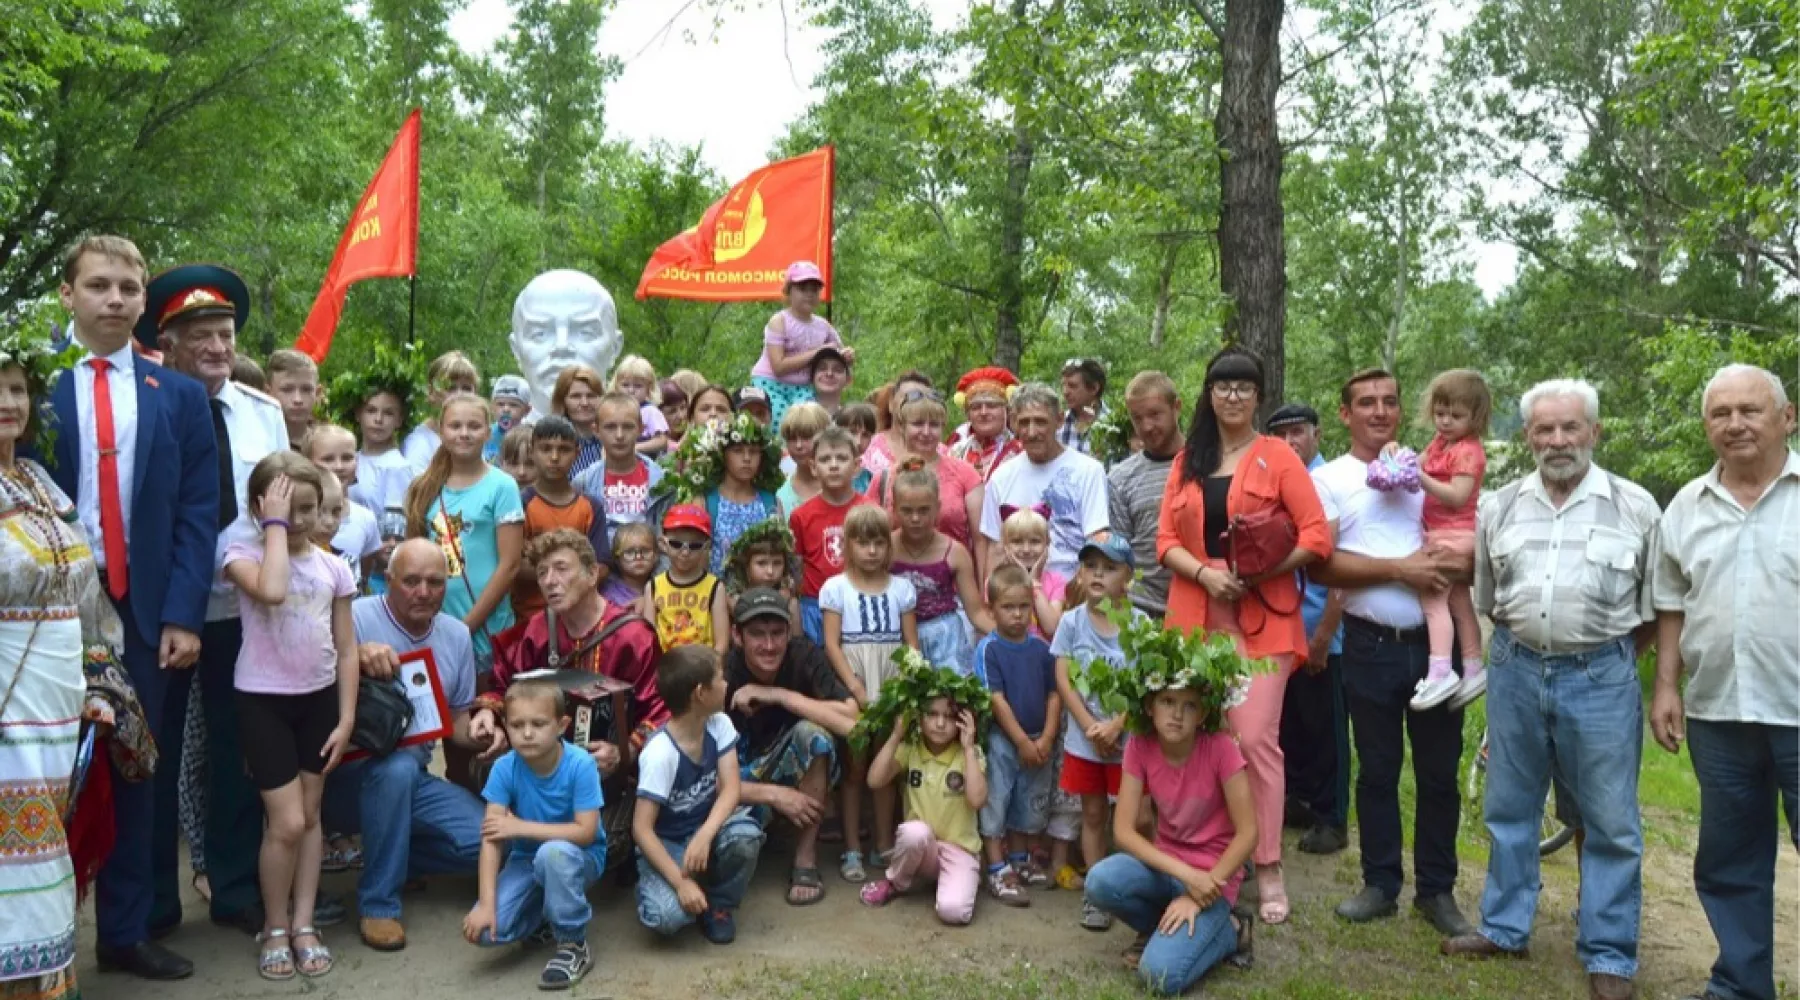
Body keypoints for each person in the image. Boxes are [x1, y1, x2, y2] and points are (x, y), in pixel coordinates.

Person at [1444, 379, 1660, 1000]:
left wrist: (1604, 658)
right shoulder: (1501, 505)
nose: (1558, 441)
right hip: (1515, 667)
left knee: (1611, 820)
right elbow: (1488, 598)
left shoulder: (1636, 506)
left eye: (1570, 428)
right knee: (1509, 808)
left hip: (1600, 676)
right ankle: (1505, 928)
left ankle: (1610, 953)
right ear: (1529, 437)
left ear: (1594, 431)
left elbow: (1652, 608)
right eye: (1544, 430)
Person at [46, 237, 219, 981]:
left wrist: (182, 614)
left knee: (134, 773)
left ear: (144, 299)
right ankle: (36, 938)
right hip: (45, 616)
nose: (114, 299)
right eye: (98, 286)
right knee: (39, 773)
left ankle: (124, 932)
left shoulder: (176, 395)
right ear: (68, 294)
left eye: (128, 287)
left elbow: (196, 512)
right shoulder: (33, 387)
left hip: (146, 616)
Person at [1155, 347, 1331, 926]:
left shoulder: (1278, 456)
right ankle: (1208, 857)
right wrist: (1205, 572)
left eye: (1244, 386)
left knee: (1254, 741)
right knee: (1195, 742)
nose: (1233, 395)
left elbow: (1316, 538)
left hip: (1264, 625)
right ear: (1209, 394)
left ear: (1258, 396)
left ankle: (1269, 862)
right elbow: (1164, 543)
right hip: (1194, 620)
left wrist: (1259, 572)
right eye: (1223, 386)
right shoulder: (1188, 461)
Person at [152, 263, 295, 943]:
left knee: (240, 750)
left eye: (225, 333)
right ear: (170, 342)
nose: (215, 347)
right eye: (200, 335)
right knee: (153, 752)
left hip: (243, 612)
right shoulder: (149, 402)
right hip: (166, 610)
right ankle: (151, 902)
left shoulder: (263, 414)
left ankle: (236, 888)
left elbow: (284, 508)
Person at [0, 328, 145, 1000]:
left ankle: (49, 981)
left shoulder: (35, 478)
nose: (8, 402)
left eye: (16, 388)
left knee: (50, 840)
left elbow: (83, 591)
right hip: (8, 695)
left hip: (60, 698)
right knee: (14, 846)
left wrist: (99, 673)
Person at [1649, 364, 1798, 1000]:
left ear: (1786, 418)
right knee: (1731, 859)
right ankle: (1739, 985)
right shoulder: (1687, 504)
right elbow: (1671, 601)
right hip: (1718, 712)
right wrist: (1665, 687)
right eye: (1720, 413)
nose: (1734, 423)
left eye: (1750, 410)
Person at [1308, 368, 1472, 937]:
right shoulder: (1330, 480)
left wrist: (1452, 564)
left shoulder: (1433, 469)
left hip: (1437, 648)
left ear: (1400, 411)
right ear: (1345, 414)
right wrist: (1401, 570)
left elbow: (1468, 538)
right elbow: (1321, 563)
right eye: (1366, 403)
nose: (1379, 411)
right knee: (1376, 770)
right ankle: (1380, 883)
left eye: (1390, 402)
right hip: (1370, 646)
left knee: (1438, 773)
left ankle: (1437, 890)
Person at [322, 539, 501, 953]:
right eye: (412, 581)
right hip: (342, 778)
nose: (423, 592)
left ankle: (396, 855)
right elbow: (305, 674)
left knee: (490, 842)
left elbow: (452, 720)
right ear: (387, 580)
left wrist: (479, 729)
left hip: (411, 781)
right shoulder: (356, 616)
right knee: (398, 766)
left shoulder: (456, 635)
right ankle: (379, 904)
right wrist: (352, 655)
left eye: (435, 582)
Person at [221, 453, 358, 980]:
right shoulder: (241, 552)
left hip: (319, 701)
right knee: (287, 822)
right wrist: (272, 525)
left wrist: (346, 719)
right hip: (263, 700)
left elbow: (346, 649)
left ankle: (305, 922)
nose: (300, 520)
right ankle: (274, 925)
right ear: (261, 508)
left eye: (309, 509)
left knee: (312, 814)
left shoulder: (334, 566)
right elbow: (274, 590)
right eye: (289, 509)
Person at [1082, 681, 1258, 997]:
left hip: (1213, 881)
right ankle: (1161, 926)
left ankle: (1231, 929)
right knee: (1099, 881)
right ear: (1149, 707)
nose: (1177, 714)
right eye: (1167, 701)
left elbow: (1248, 834)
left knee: (1159, 976)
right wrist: (1186, 876)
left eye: (1189, 705)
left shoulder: (1222, 748)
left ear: (1203, 713)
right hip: (1172, 868)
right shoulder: (1140, 744)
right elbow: (1122, 832)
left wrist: (1198, 891)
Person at [481, 531, 666, 781]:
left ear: (592, 575)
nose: (550, 581)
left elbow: (660, 707)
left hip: (616, 778)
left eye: (561, 568)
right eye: (542, 573)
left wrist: (627, 750)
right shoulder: (538, 629)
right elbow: (504, 683)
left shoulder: (633, 636)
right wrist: (489, 713)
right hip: (546, 769)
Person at [461, 679, 602, 991]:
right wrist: (486, 903)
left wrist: (520, 827)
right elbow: (492, 837)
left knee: (553, 855)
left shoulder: (581, 764)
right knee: (487, 931)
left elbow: (586, 832)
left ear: (562, 725)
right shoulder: (504, 767)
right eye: (516, 725)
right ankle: (547, 917)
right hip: (527, 859)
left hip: (579, 857)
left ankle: (572, 943)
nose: (526, 733)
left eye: (538, 724)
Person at [723, 589, 860, 906]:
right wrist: (773, 795)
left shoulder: (803, 655)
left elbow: (852, 721)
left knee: (814, 735)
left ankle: (805, 859)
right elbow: (703, 774)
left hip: (792, 764)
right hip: (739, 779)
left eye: (777, 634)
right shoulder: (723, 675)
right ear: (737, 635)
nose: (769, 646)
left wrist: (780, 696)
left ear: (789, 631)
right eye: (757, 635)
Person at [632, 645, 765, 944]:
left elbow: (731, 788)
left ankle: (719, 902)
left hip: (703, 828)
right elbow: (641, 829)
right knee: (667, 917)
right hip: (667, 843)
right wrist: (679, 883)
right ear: (700, 693)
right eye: (720, 678)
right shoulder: (660, 754)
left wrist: (705, 835)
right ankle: (658, 882)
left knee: (746, 837)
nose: (727, 684)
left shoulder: (719, 724)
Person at [1052, 537, 1151, 931]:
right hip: (1084, 740)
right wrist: (1090, 725)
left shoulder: (1139, 624)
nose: (1097, 574)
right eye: (1090, 566)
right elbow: (1063, 676)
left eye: (1109, 568)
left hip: (1128, 742)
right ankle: (1097, 893)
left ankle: (1144, 884)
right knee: (1092, 813)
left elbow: (1147, 681)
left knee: (1138, 817)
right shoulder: (1071, 621)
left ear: (1127, 578)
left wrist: (1116, 724)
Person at [1266, 402, 1349, 856]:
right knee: (1290, 724)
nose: (1289, 442)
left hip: (1321, 630)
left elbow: (1334, 567)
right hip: (1283, 628)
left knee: (1326, 730)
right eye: (1279, 435)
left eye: (1297, 432)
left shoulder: (1327, 483)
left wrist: (1323, 636)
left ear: (1317, 434)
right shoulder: (1278, 483)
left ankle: (1331, 817)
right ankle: (1298, 801)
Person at [823, 504, 920, 882]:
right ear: (848, 545)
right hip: (856, 682)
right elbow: (832, 644)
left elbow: (910, 643)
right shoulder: (836, 589)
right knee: (854, 768)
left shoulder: (901, 589)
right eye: (863, 543)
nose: (872, 551)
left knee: (887, 765)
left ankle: (883, 843)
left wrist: (907, 688)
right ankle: (851, 847)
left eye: (879, 542)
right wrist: (856, 686)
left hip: (892, 681)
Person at [405, 393, 524, 677]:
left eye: (473, 426)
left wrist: (465, 626)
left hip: (487, 628)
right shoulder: (425, 487)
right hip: (433, 626)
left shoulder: (502, 487)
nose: (464, 433)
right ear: (442, 432)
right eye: (455, 426)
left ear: (487, 431)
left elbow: (510, 566)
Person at [1405, 370, 1493, 710]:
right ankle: (1472, 667)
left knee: (1431, 596)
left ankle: (1440, 669)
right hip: (1441, 531)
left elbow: (1458, 496)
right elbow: (1416, 462)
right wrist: (1400, 461)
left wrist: (1421, 479)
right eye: (1440, 413)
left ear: (1475, 416)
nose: (1445, 421)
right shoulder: (1440, 444)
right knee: (1458, 601)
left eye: (1456, 416)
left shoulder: (1469, 451)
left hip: (1456, 534)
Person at [859, 694, 989, 925]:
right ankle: (895, 882)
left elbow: (977, 800)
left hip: (960, 851)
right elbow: (874, 780)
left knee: (953, 912)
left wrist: (969, 748)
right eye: (932, 714)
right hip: (923, 849)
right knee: (913, 832)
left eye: (949, 717)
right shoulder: (911, 749)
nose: (940, 724)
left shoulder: (970, 753)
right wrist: (896, 735)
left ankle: (958, 881)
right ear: (918, 718)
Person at [977, 565, 1061, 906]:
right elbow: (996, 701)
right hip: (1003, 741)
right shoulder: (989, 649)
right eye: (1008, 607)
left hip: (1040, 739)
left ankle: (1019, 859)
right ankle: (996, 866)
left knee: (1028, 801)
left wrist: (1047, 737)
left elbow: (1054, 695)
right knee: (997, 798)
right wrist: (1022, 741)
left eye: (1023, 606)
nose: (1016, 614)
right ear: (991, 608)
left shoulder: (1042, 649)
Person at [979, 382, 1111, 579]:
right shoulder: (1001, 477)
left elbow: (1097, 540)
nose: (1032, 432)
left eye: (1040, 422)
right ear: (1014, 423)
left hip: (1073, 589)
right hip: (1017, 595)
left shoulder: (1089, 471)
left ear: (1059, 420)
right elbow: (995, 548)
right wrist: (990, 601)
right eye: (1024, 423)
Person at [890, 463, 994, 673]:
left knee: (953, 701)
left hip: (946, 639)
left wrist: (1010, 637)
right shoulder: (886, 548)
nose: (916, 518)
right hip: (899, 637)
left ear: (938, 508)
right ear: (895, 508)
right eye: (907, 511)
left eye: (924, 510)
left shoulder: (954, 552)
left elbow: (976, 613)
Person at [867, 389, 987, 570]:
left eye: (934, 425)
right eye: (918, 424)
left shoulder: (966, 475)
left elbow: (980, 541)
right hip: (893, 584)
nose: (926, 431)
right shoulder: (883, 479)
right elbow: (868, 534)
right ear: (902, 427)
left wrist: (983, 590)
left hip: (954, 583)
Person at [515, 416, 609, 622]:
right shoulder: (519, 505)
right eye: (546, 448)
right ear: (532, 452)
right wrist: (571, 569)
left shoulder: (591, 506)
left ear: (577, 453)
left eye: (564, 449)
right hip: (530, 618)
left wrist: (545, 565)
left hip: (582, 616)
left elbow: (601, 566)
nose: (555, 457)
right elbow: (514, 565)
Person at [1109, 371, 1182, 620]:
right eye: (1137, 418)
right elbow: (1119, 551)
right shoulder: (1120, 478)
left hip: (1200, 601)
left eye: (1155, 414)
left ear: (1176, 408)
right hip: (1142, 607)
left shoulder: (1210, 465)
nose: (1147, 427)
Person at [790, 426, 874, 643]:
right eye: (825, 459)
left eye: (842, 458)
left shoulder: (870, 511)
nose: (834, 465)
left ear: (856, 466)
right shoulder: (801, 516)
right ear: (813, 467)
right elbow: (796, 567)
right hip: (814, 608)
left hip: (858, 604)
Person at [749, 261, 852, 429]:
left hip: (802, 387)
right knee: (779, 420)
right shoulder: (780, 321)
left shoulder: (823, 326)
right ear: (789, 291)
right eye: (803, 289)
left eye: (814, 290)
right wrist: (818, 351)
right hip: (771, 383)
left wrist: (846, 355)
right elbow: (779, 366)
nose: (809, 294)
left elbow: (837, 351)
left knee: (812, 421)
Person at [572, 392, 663, 536]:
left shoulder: (661, 481)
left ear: (640, 429)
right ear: (596, 430)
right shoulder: (583, 482)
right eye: (610, 427)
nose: (619, 435)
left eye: (627, 427)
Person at [306, 426, 383, 587]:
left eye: (347, 458)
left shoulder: (365, 518)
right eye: (328, 459)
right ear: (307, 462)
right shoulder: (300, 516)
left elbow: (364, 569)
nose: (339, 466)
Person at [651, 505, 730, 656]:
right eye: (676, 544)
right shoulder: (654, 587)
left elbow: (722, 644)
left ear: (706, 547)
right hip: (666, 672)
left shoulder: (715, 587)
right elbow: (648, 640)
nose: (685, 552)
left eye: (694, 546)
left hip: (704, 670)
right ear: (663, 544)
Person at [996, 507, 1067, 639]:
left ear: (1047, 544)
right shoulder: (996, 580)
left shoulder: (1057, 582)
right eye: (1017, 541)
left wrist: (1033, 582)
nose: (1026, 549)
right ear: (1005, 545)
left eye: (1035, 541)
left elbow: (1051, 628)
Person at [401, 351, 480, 470]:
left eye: (466, 388)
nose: (460, 395)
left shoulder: (475, 438)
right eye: (451, 388)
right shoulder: (420, 445)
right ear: (431, 392)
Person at [723, 517, 803, 634]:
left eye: (777, 563)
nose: (770, 571)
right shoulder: (732, 598)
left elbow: (797, 644)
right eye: (761, 563)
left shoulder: (790, 600)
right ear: (746, 566)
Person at [948, 366, 1023, 482]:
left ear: (1006, 410)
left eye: (991, 405)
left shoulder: (1021, 452)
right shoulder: (955, 452)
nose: (983, 412)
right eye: (976, 407)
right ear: (968, 414)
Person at [860, 370, 937, 477]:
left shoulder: (942, 451)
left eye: (920, 398)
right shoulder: (868, 449)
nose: (913, 404)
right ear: (891, 403)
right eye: (907, 397)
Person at [549, 364, 606, 477]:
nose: (584, 403)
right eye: (576, 396)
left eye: (591, 396)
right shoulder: (552, 443)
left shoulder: (613, 438)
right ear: (562, 401)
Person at [776, 401, 831, 516]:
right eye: (792, 438)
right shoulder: (781, 494)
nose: (799, 445)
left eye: (806, 437)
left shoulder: (840, 486)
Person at [609, 355, 669, 456]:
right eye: (625, 385)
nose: (631, 391)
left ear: (649, 389)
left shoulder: (650, 412)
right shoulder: (612, 411)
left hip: (645, 464)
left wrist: (635, 448)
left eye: (638, 386)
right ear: (616, 386)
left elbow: (661, 441)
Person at [266, 349, 320, 446]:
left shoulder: (328, 446)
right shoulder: (256, 443)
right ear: (267, 392)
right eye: (287, 390)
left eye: (306, 389)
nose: (297, 399)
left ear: (317, 393)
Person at [1058, 357, 1110, 455]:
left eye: (1072, 386)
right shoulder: (1057, 425)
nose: (1065, 392)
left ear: (1094, 388)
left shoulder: (1115, 426)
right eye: (1063, 385)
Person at [605, 522, 658, 609]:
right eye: (629, 552)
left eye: (645, 551)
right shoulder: (609, 596)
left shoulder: (663, 587)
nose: (638, 557)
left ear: (656, 555)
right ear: (617, 558)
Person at [485, 375, 531, 463]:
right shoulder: (485, 434)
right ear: (492, 407)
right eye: (500, 404)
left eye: (513, 405)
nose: (506, 409)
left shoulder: (531, 437)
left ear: (527, 410)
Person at [809, 345, 851, 417]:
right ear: (811, 377)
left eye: (837, 369)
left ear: (848, 380)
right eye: (822, 368)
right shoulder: (796, 418)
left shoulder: (852, 420)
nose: (829, 374)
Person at [657, 378, 690, 451]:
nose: (681, 416)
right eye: (672, 411)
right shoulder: (654, 443)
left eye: (683, 407)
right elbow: (675, 454)